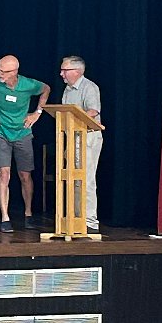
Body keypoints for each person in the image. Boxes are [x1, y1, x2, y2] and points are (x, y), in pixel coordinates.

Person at [0, 54, 50, 233]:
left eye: (3, 71)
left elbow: (46, 89)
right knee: (4, 174)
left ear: (14, 71)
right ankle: (5, 217)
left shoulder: (28, 84)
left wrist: (37, 113)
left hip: (23, 133)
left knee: (25, 175)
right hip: (1, 132)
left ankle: (28, 213)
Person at [59, 55, 104, 233]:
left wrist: (76, 118)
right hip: (72, 136)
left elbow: (93, 111)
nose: (61, 74)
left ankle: (90, 221)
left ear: (77, 71)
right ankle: (76, 219)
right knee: (73, 179)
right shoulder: (68, 90)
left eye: (65, 70)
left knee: (86, 178)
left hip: (88, 136)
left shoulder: (89, 87)